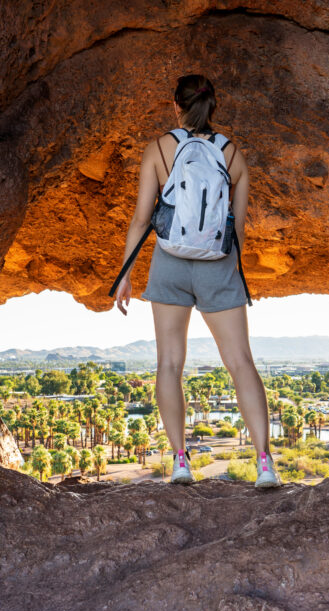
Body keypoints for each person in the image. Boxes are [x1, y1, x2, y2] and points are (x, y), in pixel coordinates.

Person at [112, 74, 281, 489]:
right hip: (217, 266)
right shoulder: (233, 155)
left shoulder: (159, 149)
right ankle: (264, 463)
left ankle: (180, 461)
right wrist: (223, 270)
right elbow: (236, 230)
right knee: (241, 362)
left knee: (170, 364)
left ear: (176, 107)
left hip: (169, 263)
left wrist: (125, 275)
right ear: (213, 107)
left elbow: (141, 218)